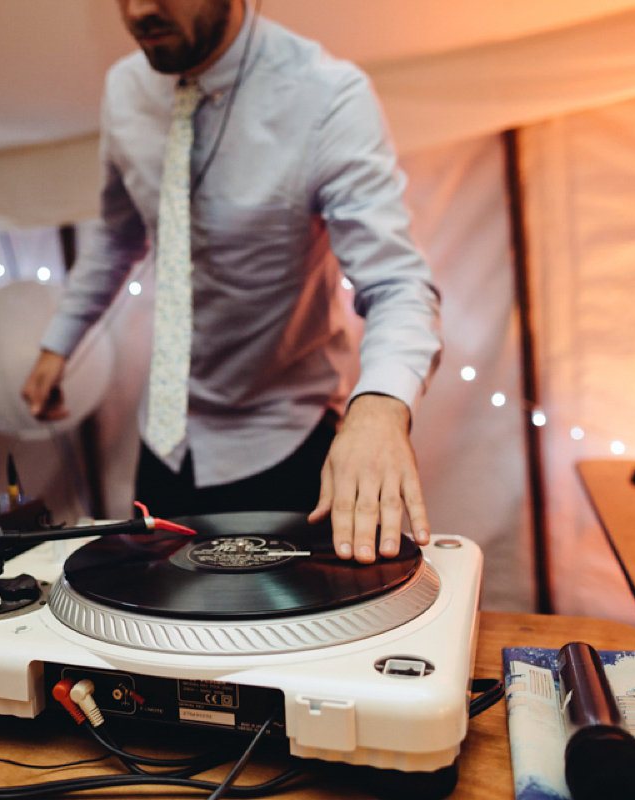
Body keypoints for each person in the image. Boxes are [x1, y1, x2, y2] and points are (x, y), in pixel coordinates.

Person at [22, 0, 441, 564]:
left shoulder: (327, 96)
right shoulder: (124, 87)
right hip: (164, 443)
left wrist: (381, 406)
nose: (139, 9)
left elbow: (397, 282)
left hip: (284, 447)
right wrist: (59, 342)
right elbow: (120, 236)